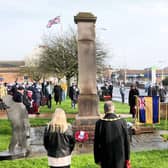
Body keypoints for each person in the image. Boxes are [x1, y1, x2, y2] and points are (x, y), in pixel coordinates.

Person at [94, 101, 130, 168]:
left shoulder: (99, 123)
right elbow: (127, 142)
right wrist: (127, 158)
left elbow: (96, 144)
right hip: (120, 158)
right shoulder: (122, 122)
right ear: (114, 109)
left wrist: (97, 159)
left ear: (104, 110)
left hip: (105, 158)